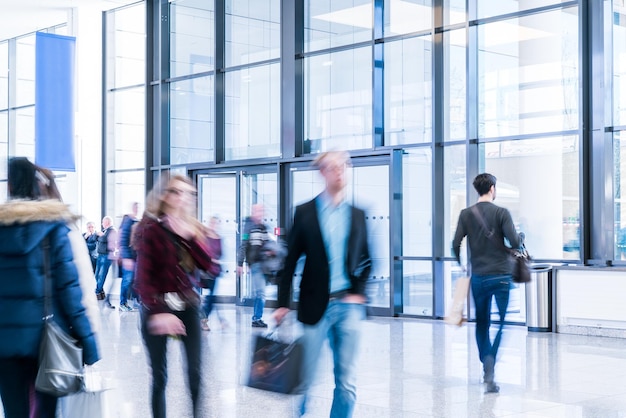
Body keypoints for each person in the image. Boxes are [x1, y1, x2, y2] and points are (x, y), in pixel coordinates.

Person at [274, 150, 371, 418]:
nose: (339, 171)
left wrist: (359, 292)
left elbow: (367, 260)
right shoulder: (305, 213)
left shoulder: (358, 214)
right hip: (314, 305)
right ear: (322, 173)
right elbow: (289, 262)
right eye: (333, 167)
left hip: (348, 306)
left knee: (347, 380)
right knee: (305, 376)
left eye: (343, 166)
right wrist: (282, 304)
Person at [0, 157, 100, 418]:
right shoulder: (52, 230)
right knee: (46, 412)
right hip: (45, 339)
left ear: (9, 187)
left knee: (14, 412)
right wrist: (88, 344)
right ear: (36, 187)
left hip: (4, 344)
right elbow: (70, 291)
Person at [133, 174, 217, 418]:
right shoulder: (150, 229)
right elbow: (143, 280)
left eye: (187, 193)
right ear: (164, 195)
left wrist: (190, 237)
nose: (182, 198)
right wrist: (159, 314)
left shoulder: (191, 227)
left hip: (187, 304)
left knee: (195, 373)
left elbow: (209, 266)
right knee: (159, 376)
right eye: (176, 192)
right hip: (156, 306)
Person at [452, 173, 523, 394]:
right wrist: (521, 236)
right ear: (492, 188)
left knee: (482, 323)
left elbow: (455, 244)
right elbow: (514, 242)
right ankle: (491, 360)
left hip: (479, 277)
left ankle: (486, 361)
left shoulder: (466, 214)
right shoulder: (502, 213)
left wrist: (462, 265)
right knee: (501, 322)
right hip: (501, 275)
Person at [237, 203, 271, 328]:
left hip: (264, 264)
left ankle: (257, 318)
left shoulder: (263, 227)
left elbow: (267, 243)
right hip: (255, 264)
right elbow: (244, 245)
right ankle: (257, 318)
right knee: (261, 292)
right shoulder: (248, 226)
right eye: (258, 211)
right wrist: (240, 263)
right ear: (253, 212)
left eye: (262, 211)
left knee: (259, 292)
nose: (260, 213)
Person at [200, 215, 224, 331]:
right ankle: (202, 320)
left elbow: (221, 253)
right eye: (213, 223)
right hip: (205, 270)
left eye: (216, 223)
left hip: (215, 271)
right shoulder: (204, 237)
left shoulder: (219, 238)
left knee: (211, 297)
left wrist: (216, 260)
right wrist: (211, 259)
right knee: (209, 298)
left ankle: (203, 320)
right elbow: (202, 252)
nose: (214, 226)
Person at [118, 202, 140, 312]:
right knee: (127, 280)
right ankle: (122, 303)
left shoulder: (135, 221)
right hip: (129, 258)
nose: (137, 209)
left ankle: (134, 302)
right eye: (135, 207)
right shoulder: (128, 220)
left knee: (133, 280)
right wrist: (126, 257)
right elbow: (123, 240)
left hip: (134, 257)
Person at [94, 215, 117, 308]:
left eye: (103, 222)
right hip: (100, 255)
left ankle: (97, 291)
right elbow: (96, 238)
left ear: (107, 222)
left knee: (101, 275)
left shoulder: (112, 230)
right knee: (97, 275)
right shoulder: (104, 231)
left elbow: (104, 239)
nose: (102, 224)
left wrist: (101, 236)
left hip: (106, 256)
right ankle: (100, 291)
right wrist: (100, 236)